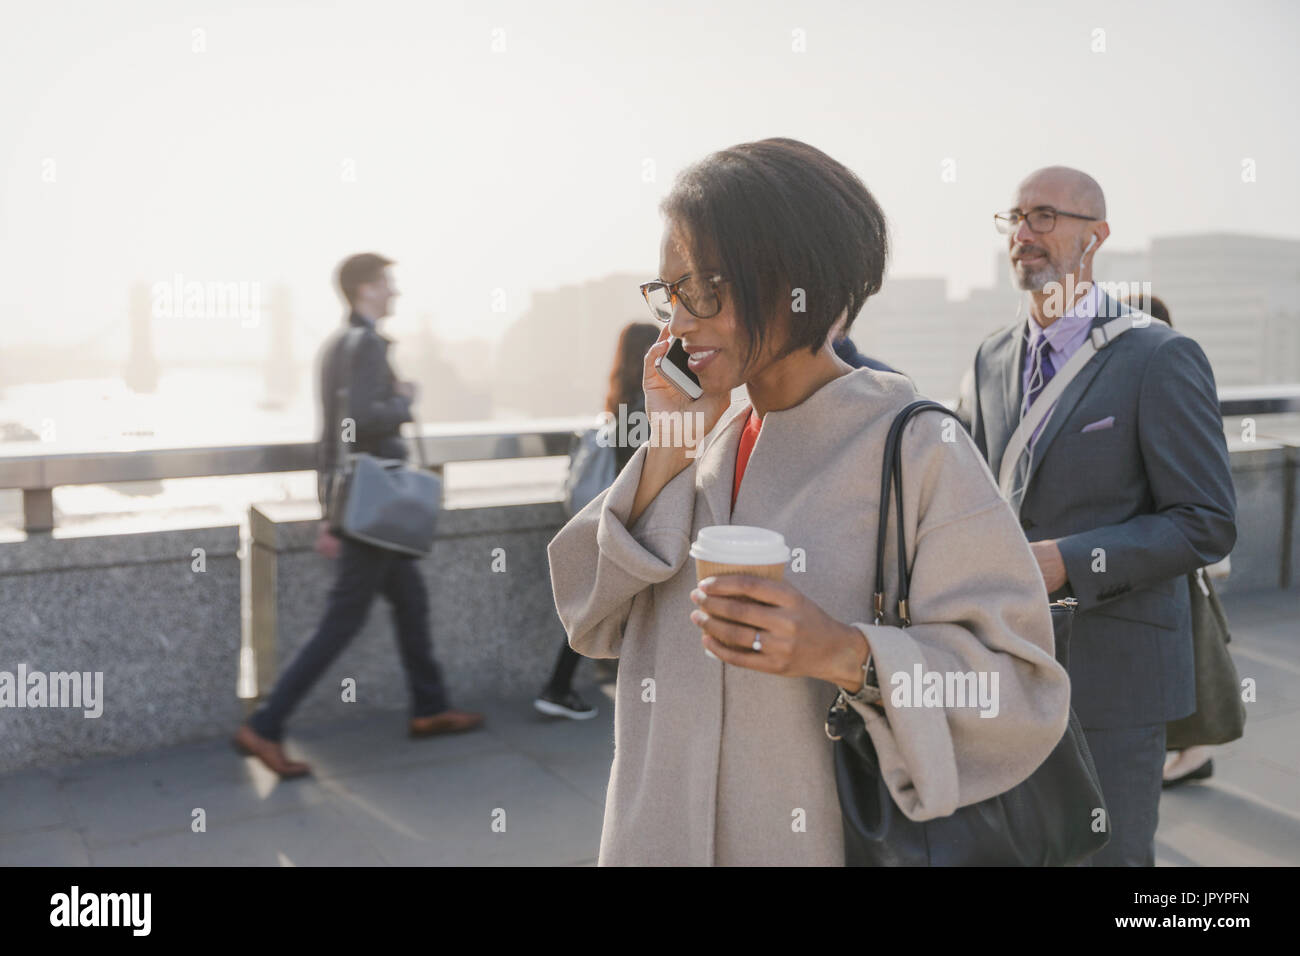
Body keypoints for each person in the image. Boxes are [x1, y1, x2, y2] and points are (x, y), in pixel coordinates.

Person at [547, 138, 1071, 866]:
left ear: (794, 281)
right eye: (671, 292)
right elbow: (586, 618)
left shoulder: (917, 448)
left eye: (705, 289)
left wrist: (846, 653)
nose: (680, 323)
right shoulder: (703, 434)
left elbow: (1020, 693)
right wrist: (667, 446)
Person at [964, 168, 1237, 864]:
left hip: (1116, 679)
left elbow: (1206, 520)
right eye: (1016, 218)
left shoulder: (1159, 356)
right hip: (1007, 664)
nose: (1024, 234)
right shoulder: (992, 355)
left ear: (1097, 236)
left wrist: (1072, 561)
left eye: (1045, 216)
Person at [234, 253, 483, 777]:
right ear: (365, 289)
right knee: (341, 619)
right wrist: (404, 400)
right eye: (389, 285)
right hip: (378, 502)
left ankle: (431, 707)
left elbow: (332, 434)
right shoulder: (366, 344)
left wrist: (330, 510)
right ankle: (266, 725)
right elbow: (363, 420)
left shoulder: (335, 345)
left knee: (410, 601)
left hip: (365, 502)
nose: (395, 294)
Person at [1117, 292, 1221, 789]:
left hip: (1167, 557)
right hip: (1163, 557)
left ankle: (1193, 751)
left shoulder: (1165, 370)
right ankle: (1193, 751)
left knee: (1194, 657)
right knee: (1196, 654)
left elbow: (1203, 508)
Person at [535, 321, 660, 720]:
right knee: (603, 602)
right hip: (634, 521)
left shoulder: (620, 401)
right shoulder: (647, 404)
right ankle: (557, 687)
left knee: (604, 601)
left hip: (613, 516)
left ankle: (562, 686)